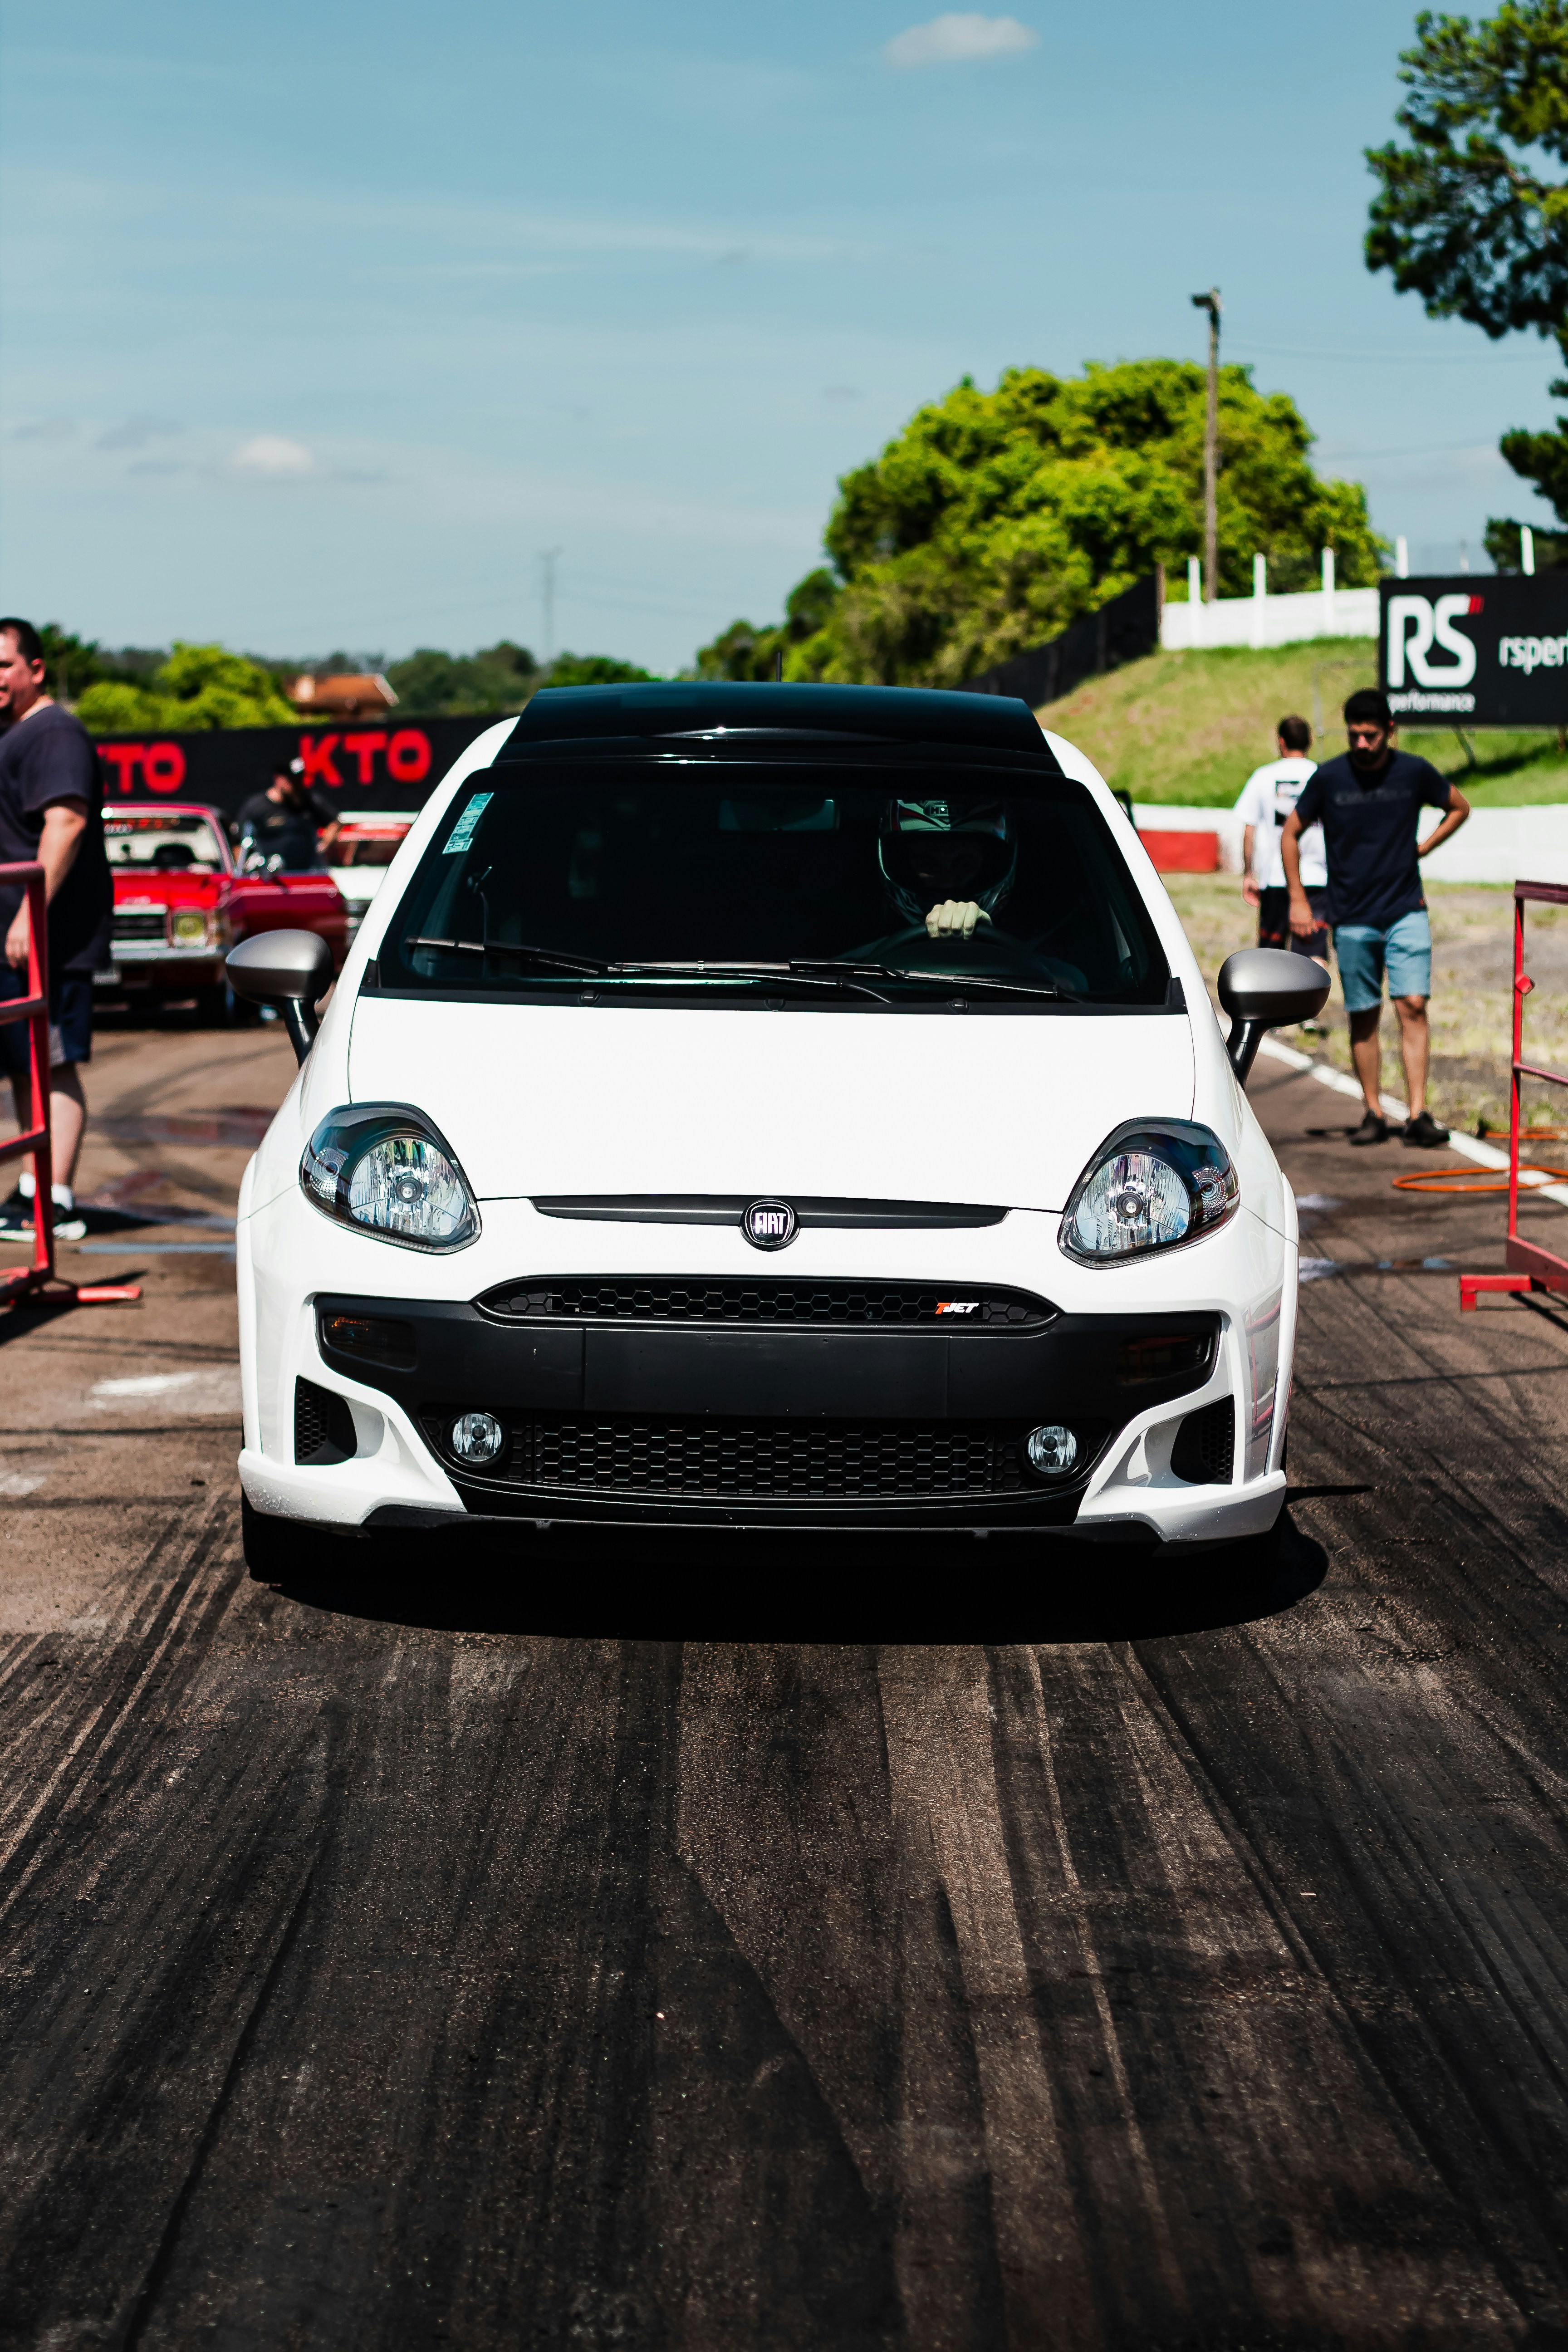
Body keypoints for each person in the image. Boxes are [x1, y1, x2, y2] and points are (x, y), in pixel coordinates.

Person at [1282, 687, 1470, 1148]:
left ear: (1390, 731)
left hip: (1407, 909)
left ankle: (1419, 1113)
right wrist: (1298, 900)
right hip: (1352, 918)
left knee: (1413, 1006)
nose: (1361, 744)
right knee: (1363, 1015)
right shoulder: (1329, 779)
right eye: (1354, 736)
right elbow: (1290, 834)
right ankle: (1372, 1110)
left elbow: (1459, 807)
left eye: (1370, 736)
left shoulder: (1413, 771)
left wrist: (1423, 848)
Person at [0, 618, 113, 1240]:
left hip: (51, 938)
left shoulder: (55, 732)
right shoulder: (15, 734)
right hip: (22, 941)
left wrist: (28, 914)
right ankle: (31, 1190)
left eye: (3, 665)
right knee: (26, 1065)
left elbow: (65, 825)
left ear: (35, 669)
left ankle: (58, 1199)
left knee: (54, 1064)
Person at [1235, 716, 1328, 964]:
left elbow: (1249, 829)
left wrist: (1248, 873)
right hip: (1316, 877)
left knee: (1270, 956)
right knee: (1313, 955)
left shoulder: (1263, 776)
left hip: (1275, 877)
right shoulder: (1323, 775)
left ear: (1281, 742)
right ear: (1309, 741)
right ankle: (1308, 1002)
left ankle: (1275, 1002)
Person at [238, 757, 339, 870]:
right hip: (271, 877)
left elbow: (334, 822)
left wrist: (323, 846)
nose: (297, 785)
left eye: (299, 779)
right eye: (292, 781)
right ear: (278, 779)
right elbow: (239, 842)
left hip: (308, 874)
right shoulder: (257, 807)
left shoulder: (310, 801)